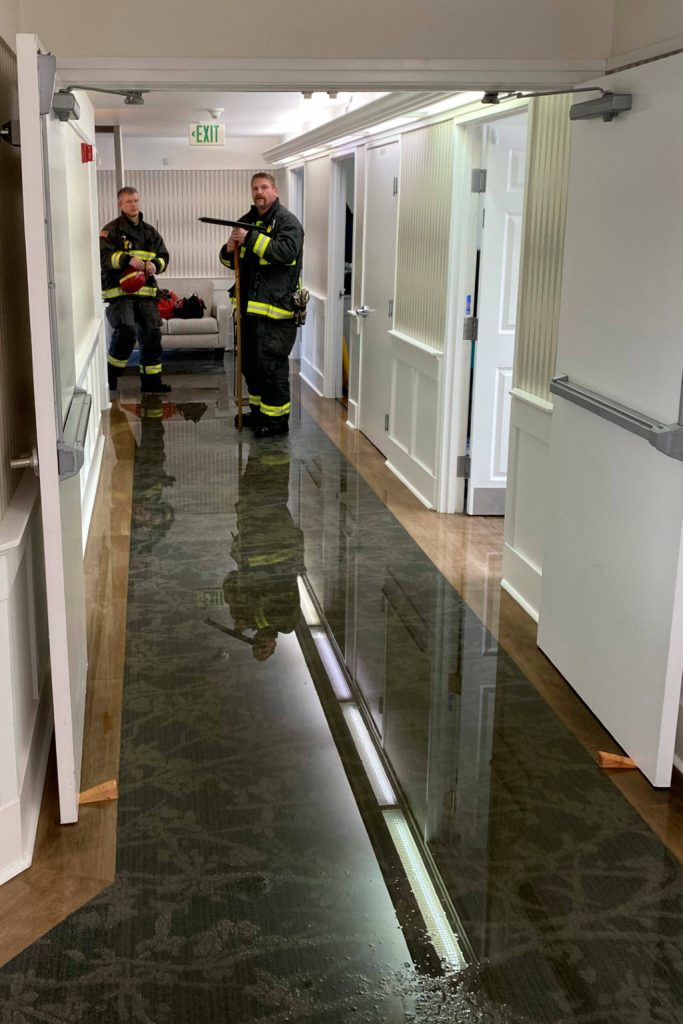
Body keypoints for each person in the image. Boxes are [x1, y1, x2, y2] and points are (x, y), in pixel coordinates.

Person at [219, 172, 304, 437]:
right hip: (248, 313)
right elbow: (231, 263)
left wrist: (250, 239)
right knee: (251, 367)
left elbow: (284, 253)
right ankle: (258, 415)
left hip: (276, 314)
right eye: (255, 188)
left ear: (275, 190)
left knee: (271, 368)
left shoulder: (288, 222)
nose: (259, 192)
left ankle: (276, 422)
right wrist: (228, 247)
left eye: (264, 187)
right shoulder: (245, 222)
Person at [100, 186, 171, 394]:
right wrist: (127, 259)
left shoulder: (150, 232)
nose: (134, 204)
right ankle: (110, 375)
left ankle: (152, 383)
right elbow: (104, 258)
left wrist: (154, 266)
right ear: (120, 204)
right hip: (120, 295)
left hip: (146, 295)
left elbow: (164, 257)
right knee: (127, 332)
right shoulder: (110, 231)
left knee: (152, 336)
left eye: (136, 200)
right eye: (129, 201)